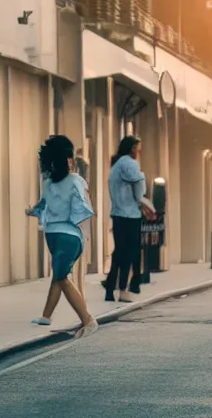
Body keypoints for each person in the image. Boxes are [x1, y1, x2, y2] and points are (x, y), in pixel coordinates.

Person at [26, 135, 98, 339]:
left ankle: (88, 320)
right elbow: (44, 204)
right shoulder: (48, 183)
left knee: (62, 276)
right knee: (58, 275)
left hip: (69, 236)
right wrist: (34, 210)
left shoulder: (75, 181)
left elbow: (83, 207)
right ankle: (46, 316)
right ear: (67, 159)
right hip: (54, 235)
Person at [104, 136, 150, 302]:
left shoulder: (115, 165)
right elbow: (139, 189)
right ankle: (124, 289)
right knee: (130, 253)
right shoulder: (130, 164)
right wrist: (146, 204)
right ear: (132, 148)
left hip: (117, 213)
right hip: (130, 215)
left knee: (118, 252)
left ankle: (110, 289)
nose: (139, 152)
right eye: (138, 148)